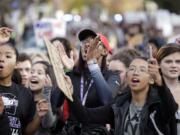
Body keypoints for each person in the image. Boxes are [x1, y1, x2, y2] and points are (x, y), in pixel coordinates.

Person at [66, 56, 178, 135]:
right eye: (132, 69)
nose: (135, 72)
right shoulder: (118, 106)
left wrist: (160, 83)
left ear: (151, 79)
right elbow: (85, 115)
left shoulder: (157, 106)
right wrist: (70, 91)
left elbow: (171, 108)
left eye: (142, 70)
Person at [55, 29, 120, 135]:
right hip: (72, 131)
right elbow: (55, 102)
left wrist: (92, 65)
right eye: (84, 42)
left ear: (105, 51)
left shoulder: (112, 76)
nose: (87, 45)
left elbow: (107, 100)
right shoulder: (73, 74)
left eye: (94, 43)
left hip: (96, 132)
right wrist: (65, 71)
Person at [0, 28, 49, 135]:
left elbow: (27, 131)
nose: (2, 59)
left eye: (8, 56)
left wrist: (38, 117)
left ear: (16, 63)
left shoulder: (25, 94)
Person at [156, 43, 180, 134]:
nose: (174, 65)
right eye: (168, 61)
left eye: (178, 62)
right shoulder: (150, 91)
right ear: (158, 64)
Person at [29, 61, 57, 135]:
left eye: (39, 73)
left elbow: (47, 124)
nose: (33, 75)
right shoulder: (24, 97)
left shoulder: (55, 100)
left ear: (49, 78)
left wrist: (46, 94)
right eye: (31, 72)